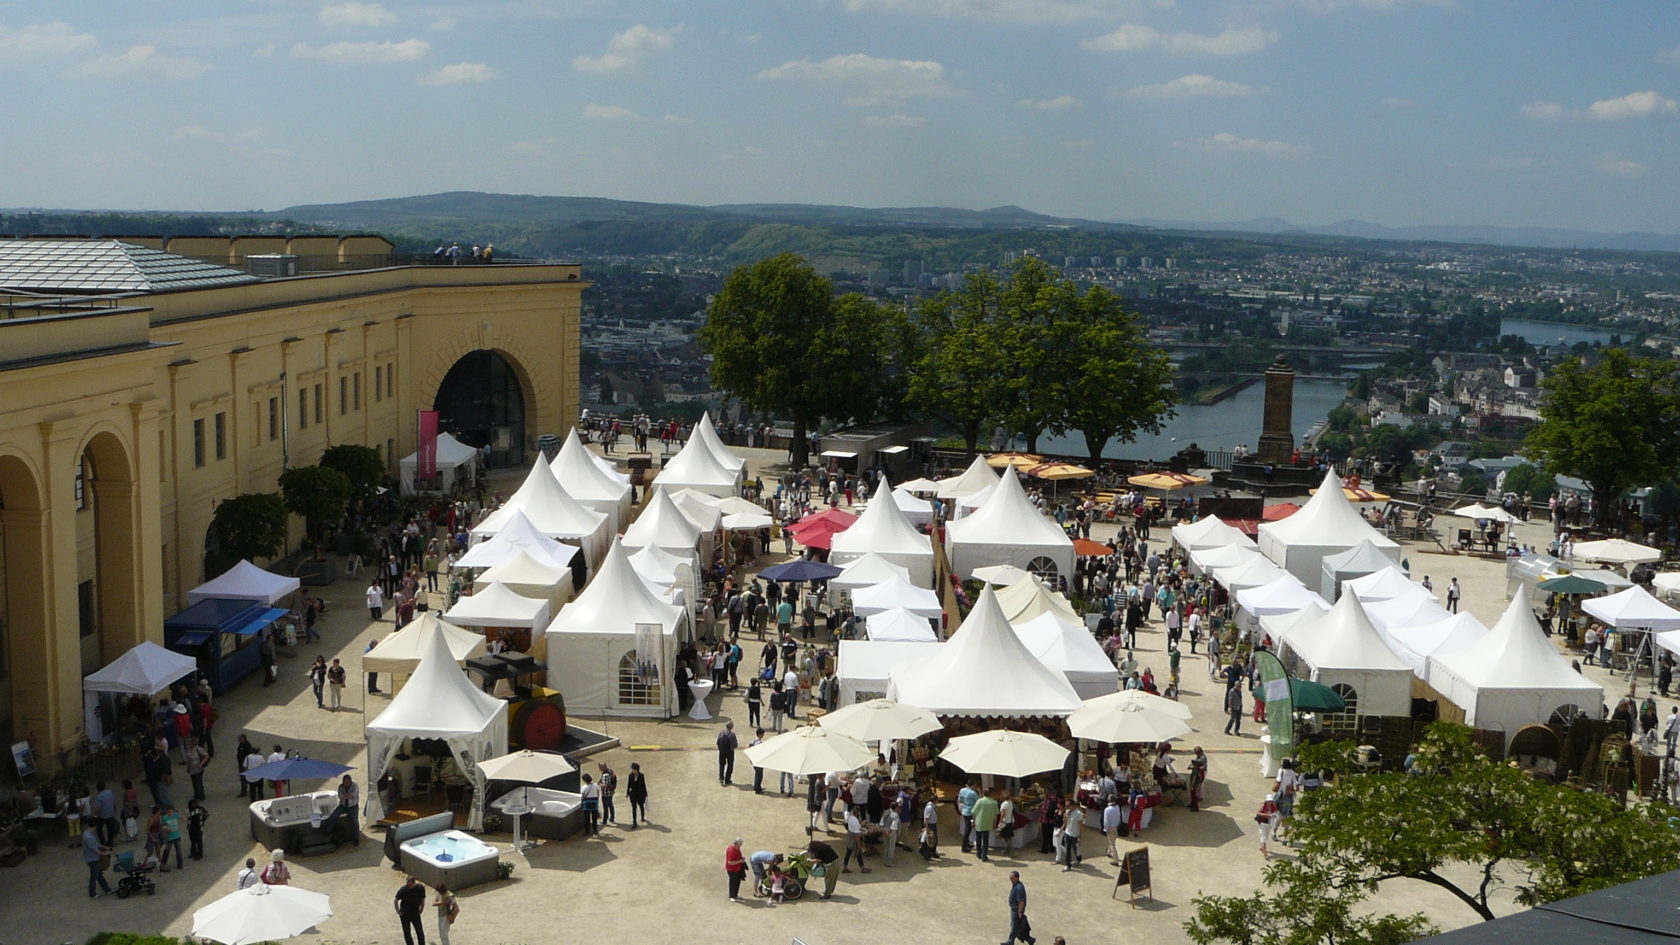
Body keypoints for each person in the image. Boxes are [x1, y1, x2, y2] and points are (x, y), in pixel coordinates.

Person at [395, 875, 428, 945]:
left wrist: (421, 909)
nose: (408, 885)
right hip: (405, 914)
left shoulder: (420, 888)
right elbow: (396, 900)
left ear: (413, 883)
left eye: (409, 884)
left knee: (420, 932)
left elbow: (423, 899)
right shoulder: (403, 890)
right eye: (407, 883)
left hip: (415, 913)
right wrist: (398, 911)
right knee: (407, 933)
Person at [82, 823, 113, 899]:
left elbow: (96, 845)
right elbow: (94, 849)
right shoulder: (89, 837)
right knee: (94, 876)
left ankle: (107, 889)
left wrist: (106, 847)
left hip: (92, 858)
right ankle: (92, 893)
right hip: (93, 859)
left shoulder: (87, 834)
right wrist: (104, 853)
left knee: (99, 875)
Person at [1005, 870, 1035, 945]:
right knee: (1018, 927)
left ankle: (1010, 941)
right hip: (1015, 910)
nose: (1010, 880)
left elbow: (1021, 902)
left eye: (1012, 878)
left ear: (1017, 878)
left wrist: (1020, 911)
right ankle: (1029, 939)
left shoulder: (1019, 888)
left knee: (1015, 926)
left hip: (1016, 911)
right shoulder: (1016, 885)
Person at [972, 788, 1000, 862]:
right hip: (988, 823)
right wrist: (994, 823)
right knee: (985, 840)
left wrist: (973, 821)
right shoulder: (994, 802)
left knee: (978, 838)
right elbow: (996, 815)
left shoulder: (980, 801)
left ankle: (979, 853)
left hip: (979, 822)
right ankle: (984, 855)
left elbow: (974, 812)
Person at [842, 808, 871, 873]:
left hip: (850, 835)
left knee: (848, 852)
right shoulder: (855, 821)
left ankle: (845, 867)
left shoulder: (850, 818)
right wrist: (858, 843)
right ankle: (862, 868)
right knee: (857, 852)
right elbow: (857, 834)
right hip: (854, 837)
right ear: (858, 813)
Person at [958, 780, 980, 853]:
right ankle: (964, 847)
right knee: (968, 828)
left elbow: (959, 799)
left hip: (964, 811)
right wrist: (979, 791)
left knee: (968, 827)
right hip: (970, 814)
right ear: (973, 785)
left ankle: (967, 844)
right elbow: (979, 801)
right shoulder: (973, 793)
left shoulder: (962, 790)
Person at [94, 781, 118, 847]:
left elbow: (99, 808)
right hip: (111, 813)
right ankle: (110, 842)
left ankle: (103, 842)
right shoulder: (110, 792)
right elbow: (114, 802)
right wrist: (114, 810)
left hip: (103, 815)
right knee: (110, 829)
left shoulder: (99, 796)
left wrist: (96, 816)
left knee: (99, 828)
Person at [1257, 792, 1281, 858]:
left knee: (1266, 836)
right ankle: (1265, 853)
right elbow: (1258, 813)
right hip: (1263, 824)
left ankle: (1262, 848)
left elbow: (1275, 813)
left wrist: (1274, 815)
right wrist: (1267, 815)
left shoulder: (1273, 806)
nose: (1269, 802)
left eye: (1270, 801)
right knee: (1263, 837)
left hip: (1270, 824)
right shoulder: (1263, 806)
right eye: (1268, 801)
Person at [185, 737, 209, 802]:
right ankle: (196, 794)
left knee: (198, 782)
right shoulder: (189, 749)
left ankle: (201, 795)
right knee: (194, 782)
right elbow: (188, 759)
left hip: (198, 768)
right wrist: (188, 768)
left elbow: (206, 756)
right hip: (192, 769)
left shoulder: (198, 749)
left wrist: (201, 763)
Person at [1061, 803, 1084, 871]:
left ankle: (1079, 858)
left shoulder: (1078, 813)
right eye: (1066, 806)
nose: (1067, 807)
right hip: (1067, 833)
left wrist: (1080, 836)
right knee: (1068, 850)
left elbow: (1081, 825)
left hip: (1075, 835)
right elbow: (1065, 823)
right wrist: (1065, 816)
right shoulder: (1067, 811)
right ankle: (1068, 865)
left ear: (1073, 806)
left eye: (1068, 805)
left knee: (1075, 848)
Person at [626, 762, 648, 827]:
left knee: (641, 806)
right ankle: (634, 822)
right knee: (634, 808)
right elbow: (629, 784)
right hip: (633, 794)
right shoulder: (630, 775)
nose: (632, 770)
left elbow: (644, 785)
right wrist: (627, 792)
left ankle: (642, 817)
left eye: (633, 769)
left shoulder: (641, 776)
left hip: (640, 794)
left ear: (636, 769)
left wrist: (645, 793)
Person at [716, 721, 738, 786]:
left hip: (722, 751)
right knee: (730, 765)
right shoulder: (732, 735)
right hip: (730, 752)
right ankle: (727, 779)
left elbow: (717, 742)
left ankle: (721, 778)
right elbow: (735, 745)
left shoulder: (721, 733)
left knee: (721, 764)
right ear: (731, 727)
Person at [881, 801, 902, 866]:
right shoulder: (895, 815)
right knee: (891, 847)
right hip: (891, 832)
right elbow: (893, 826)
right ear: (896, 808)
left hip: (884, 830)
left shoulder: (885, 812)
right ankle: (889, 862)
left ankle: (885, 860)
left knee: (886, 846)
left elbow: (881, 823)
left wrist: (884, 830)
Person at [1102, 795, 1123, 862]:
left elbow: (1106, 821)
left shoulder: (1107, 809)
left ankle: (1115, 860)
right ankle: (1108, 852)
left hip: (1110, 827)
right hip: (1116, 826)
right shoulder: (1117, 807)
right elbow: (1119, 816)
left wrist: (1105, 828)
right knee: (1112, 840)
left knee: (1112, 844)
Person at [1188, 746, 1209, 812]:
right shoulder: (1200, 757)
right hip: (1196, 776)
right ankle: (1192, 803)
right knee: (1193, 791)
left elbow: (1202, 765)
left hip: (1197, 777)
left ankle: (1195, 806)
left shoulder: (1203, 758)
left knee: (1195, 791)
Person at [749, 728, 767, 794]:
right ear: (759, 734)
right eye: (762, 734)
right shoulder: (759, 743)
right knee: (759, 775)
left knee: (757, 774)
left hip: (754, 760)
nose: (763, 735)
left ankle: (756, 786)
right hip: (758, 761)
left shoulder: (754, 740)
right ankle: (758, 789)